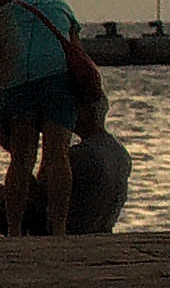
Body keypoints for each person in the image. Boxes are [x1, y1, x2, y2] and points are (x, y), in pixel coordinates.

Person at [1, 0, 80, 237]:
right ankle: (59, 228)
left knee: (21, 159)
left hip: (20, 82)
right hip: (58, 79)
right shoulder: (60, 6)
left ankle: (13, 228)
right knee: (58, 155)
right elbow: (75, 45)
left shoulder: (7, 12)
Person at [17, 95, 133, 236]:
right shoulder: (119, 152)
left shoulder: (80, 154)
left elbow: (39, 194)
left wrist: (20, 157)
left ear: (83, 114)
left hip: (68, 228)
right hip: (100, 228)